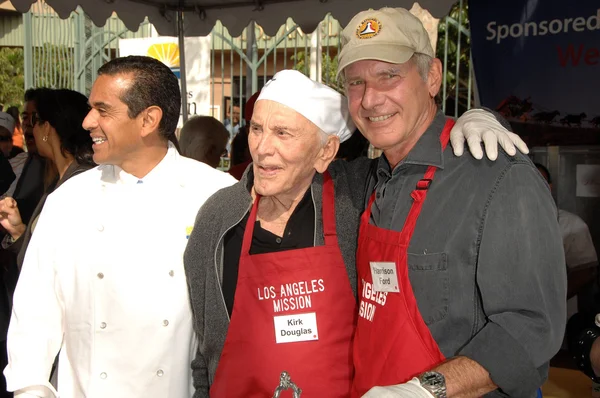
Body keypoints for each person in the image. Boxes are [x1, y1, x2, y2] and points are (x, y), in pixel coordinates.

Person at [183, 69, 525, 397]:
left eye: (282, 133)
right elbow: (206, 350)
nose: (261, 148)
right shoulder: (220, 216)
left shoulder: (357, 194)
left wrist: (476, 118)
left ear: (325, 152)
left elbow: (417, 155)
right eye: (256, 129)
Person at [335, 8, 566, 398]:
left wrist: (426, 390)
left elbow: (531, 326)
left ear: (432, 77)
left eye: (389, 75)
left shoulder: (498, 175)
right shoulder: (366, 180)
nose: (371, 99)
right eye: (356, 82)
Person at [4, 55, 236, 398]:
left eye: (103, 110)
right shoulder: (68, 202)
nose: (87, 122)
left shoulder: (216, 195)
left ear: (148, 120)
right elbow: (33, 320)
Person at [535, 163, 598, 317]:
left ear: (549, 187)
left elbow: (585, 271)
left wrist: (548, 302)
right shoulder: (504, 223)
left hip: (558, 317)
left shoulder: (571, 224)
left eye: (538, 183)